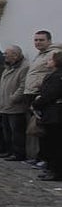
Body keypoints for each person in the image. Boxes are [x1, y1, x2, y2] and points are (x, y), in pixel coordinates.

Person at [24, 30, 61, 168]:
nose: (38, 42)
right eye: (36, 40)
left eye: (41, 40)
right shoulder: (40, 54)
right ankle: (39, 156)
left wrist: (41, 86)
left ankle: (46, 159)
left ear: (49, 41)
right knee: (36, 128)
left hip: (42, 95)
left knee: (44, 130)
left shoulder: (53, 53)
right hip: (32, 93)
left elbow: (50, 73)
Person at [31, 50, 62, 181]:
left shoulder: (57, 76)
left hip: (55, 114)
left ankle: (56, 171)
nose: (47, 62)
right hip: (52, 113)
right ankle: (51, 168)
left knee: (55, 144)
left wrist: (36, 103)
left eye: (50, 59)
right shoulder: (54, 75)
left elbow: (50, 94)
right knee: (51, 143)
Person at [0, 46, 30, 162]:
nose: (4, 55)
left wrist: (14, 98)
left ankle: (18, 153)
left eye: (6, 53)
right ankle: (9, 151)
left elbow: (23, 86)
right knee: (7, 131)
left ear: (15, 55)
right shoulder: (8, 67)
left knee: (16, 132)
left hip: (16, 106)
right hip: (4, 105)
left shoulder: (24, 67)